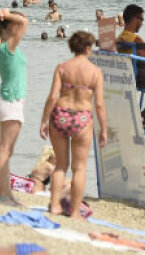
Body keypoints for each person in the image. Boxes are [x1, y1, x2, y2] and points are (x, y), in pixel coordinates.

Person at [38, 31, 107, 219]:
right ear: (87, 48)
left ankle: (54, 206)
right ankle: (75, 211)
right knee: (79, 168)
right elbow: (99, 104)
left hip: (60, 115)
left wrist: (44, 121)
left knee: (61, 165)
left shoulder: (62, 68)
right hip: (82, 118)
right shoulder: (95, 72)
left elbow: (53, 96)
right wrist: (104, 130)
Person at [0, 7, 29, 207]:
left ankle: (6, 194)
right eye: (18, 23)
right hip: (10, 101)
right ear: (12, 26)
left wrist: (8, 17)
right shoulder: (7, 47)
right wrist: (7, 15)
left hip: (11, 101)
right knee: (4, 150)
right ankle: (2, 195)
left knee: (7, 151)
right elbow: (25, 22)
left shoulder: (5, 47)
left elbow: (23, 23)